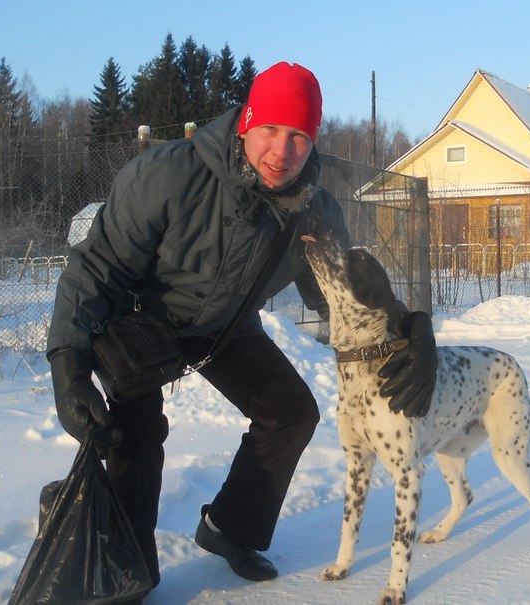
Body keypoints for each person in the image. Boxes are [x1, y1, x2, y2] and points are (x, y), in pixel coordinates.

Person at [47, 61, 436, 598]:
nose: (282, 151)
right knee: (134, 432)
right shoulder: (168, 174)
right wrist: (68, 362)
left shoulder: (314, 210)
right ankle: (127, 566)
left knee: (291, 412)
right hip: (143, 320)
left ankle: (230, 528)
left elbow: (341, 295)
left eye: (299, 136)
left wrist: (412, 328)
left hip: (226, 327)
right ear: (247, 122)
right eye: (271, 129)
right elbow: (96, 266)